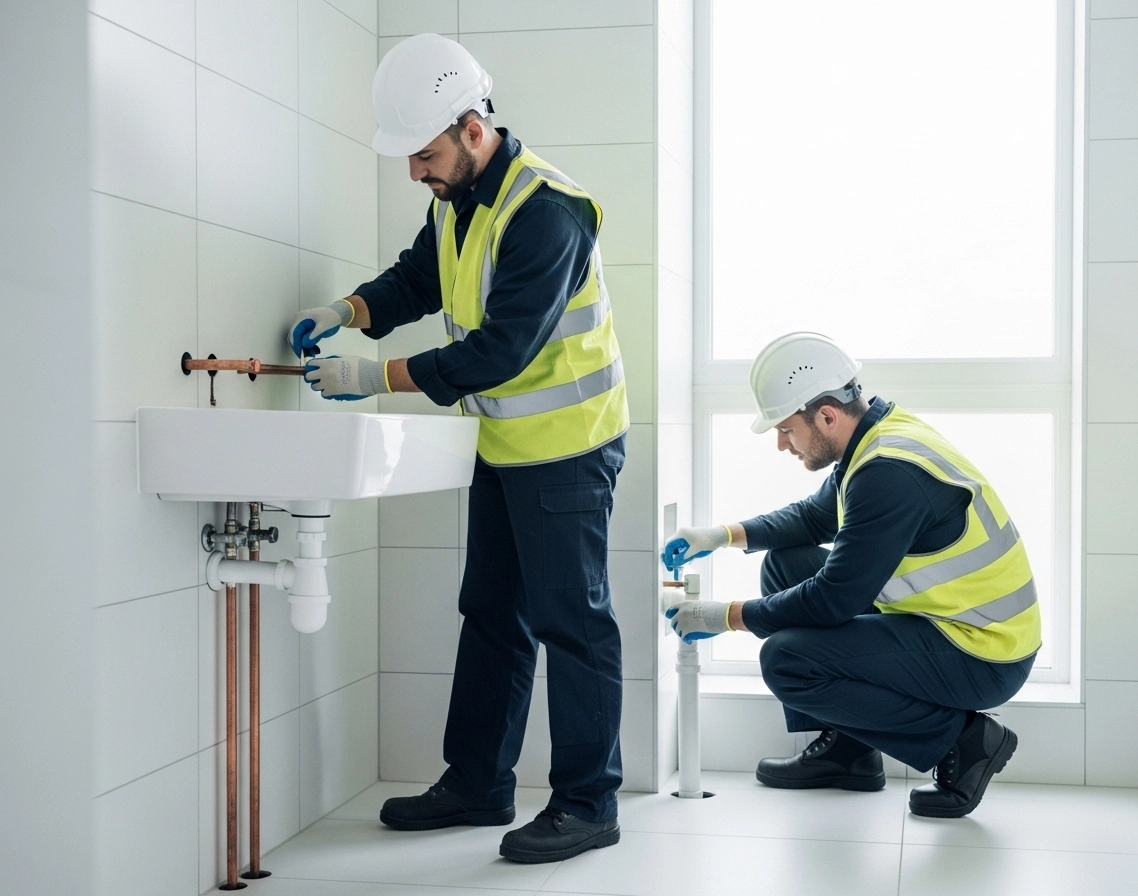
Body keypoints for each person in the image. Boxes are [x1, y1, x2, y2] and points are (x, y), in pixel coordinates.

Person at [286, 34, 628, 862]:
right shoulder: (461, 198)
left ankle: (589, 804)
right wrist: (350, 308)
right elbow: (420, 277)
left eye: (425, 155)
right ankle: (478, 782)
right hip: (507, 446)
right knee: (491, 616)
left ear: (473, 129)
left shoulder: (547, 212)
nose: (416, 172)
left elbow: (502, 350)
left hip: (569, 451)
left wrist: (375, 377)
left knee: (572, 624)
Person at [662, 332, 1040, 818]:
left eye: (785, 428)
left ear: (825, 415)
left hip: (983, 651)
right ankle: (850, 751)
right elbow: (813, 518)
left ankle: (968, 742)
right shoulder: (874, 437)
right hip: (948, 624)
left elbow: (833, 599)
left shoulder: (889, 472)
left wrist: (724, 616)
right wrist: (719, 535)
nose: (781, 443)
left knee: (787, 660)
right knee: (785, 563)